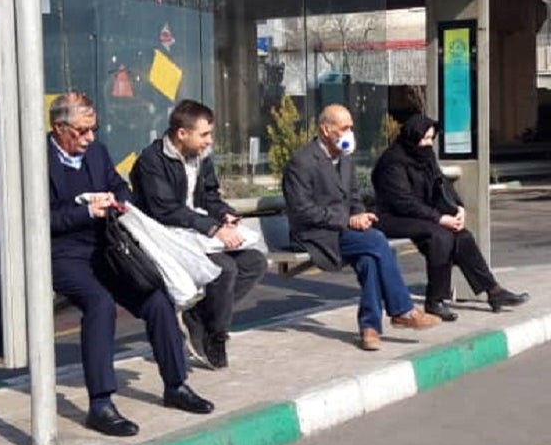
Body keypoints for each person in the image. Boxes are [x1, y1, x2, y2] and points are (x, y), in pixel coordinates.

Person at [47, 91, 215, 437]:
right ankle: (101, 403)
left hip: (108, 247)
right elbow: (38, 218)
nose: (90, 138)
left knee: (157, 299)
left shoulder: (97, 153)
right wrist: (84, 212)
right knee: (100, 305)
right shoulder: (38, 160)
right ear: (59, 128)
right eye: (82, 131)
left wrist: (118, 201)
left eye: (93, 129)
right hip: (64, 254)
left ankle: (176, 385)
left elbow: (120, 187)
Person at [282, 103, 441, 351]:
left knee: (369, 258)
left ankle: (370, 329)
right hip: (315, 235)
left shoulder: (345, 160)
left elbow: (354, 198)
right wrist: (346, 220)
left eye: (351, 128)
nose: (349, 133)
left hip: (343, 232)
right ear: (325, 129)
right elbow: (303, 211)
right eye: (344, 128)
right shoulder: (301, 162)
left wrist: (360, 215)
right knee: (376, 241)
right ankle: (402, 310)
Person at [131, 99, 266, 370]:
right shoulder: (151, 161)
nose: (209, 141)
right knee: (223, 269)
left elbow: (210, 197)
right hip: (165, 237)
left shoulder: (201, 159)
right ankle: (215, 335)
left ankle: (201, 315)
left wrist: (225, 215)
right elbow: (166, 211)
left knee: (254, 262)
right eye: (204, 134)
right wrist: (213, 227)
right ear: (182, 133)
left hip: (198, 233)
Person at [371, 114, 528, 320]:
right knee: (440, 236)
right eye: (424, 138)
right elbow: (402, 201)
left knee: (461, 236)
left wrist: (457, 207)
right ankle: (434, 300)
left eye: (431, 139)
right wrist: (438, 218)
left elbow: (441, 182)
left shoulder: (425, 156)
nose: (428, 143)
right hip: (391, 216)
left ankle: (493, 291)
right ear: (412, 136)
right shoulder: (392, 162)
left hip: (420, 214)